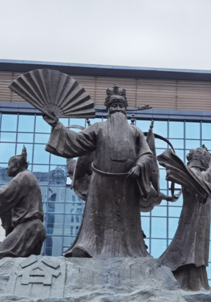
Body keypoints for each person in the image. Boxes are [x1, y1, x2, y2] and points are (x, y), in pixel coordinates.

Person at [43, 86, 158, 258]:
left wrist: (139, 166)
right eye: (114, 106)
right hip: (101, 183)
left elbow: (146, 153)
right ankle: (89, 248)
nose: (118, 109)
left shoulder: (135, 131)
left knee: (126, 220)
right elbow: (77, 140)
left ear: (125, 109)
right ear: (108, 109)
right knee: (96, 219)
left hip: (126, 184)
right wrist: (57, 125)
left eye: (121, 106)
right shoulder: (98, 128)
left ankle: (131, 251)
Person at [158, 146, 211, 291]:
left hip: (199, 219)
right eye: (207, 160)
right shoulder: (193, 173)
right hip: (193, 219)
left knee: (196, 248)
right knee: (190, 248)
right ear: (203, 161)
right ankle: (190, 283)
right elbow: (209, 176)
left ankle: (196, 282)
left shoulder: (194, 173)